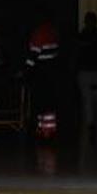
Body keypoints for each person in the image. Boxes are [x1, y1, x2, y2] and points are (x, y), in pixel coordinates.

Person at [26, 12, 61, 140]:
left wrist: (27, 70)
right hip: (52, 71)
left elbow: (33, 55)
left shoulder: (38, 33)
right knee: (49, 102)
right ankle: (49, 130)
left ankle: (43, 130)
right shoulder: (53, 32)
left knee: (41, 101)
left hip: (41, 72)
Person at [75, 12, 97, 144]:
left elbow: (76, 55)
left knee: (88, 101)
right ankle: (96, 125)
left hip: (85, 72)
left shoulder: (81, 36)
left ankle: (91, 125)